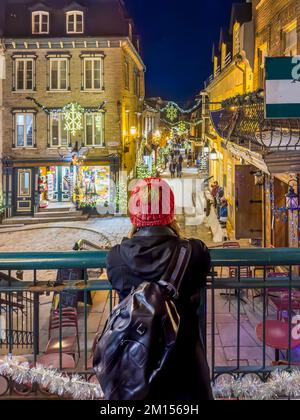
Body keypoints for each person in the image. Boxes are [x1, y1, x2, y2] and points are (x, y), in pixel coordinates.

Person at [107, 177, 213, 401]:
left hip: (137, 370)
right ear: (170, 212)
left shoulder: (116, 257)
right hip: (186, 369)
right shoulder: (194, 252)